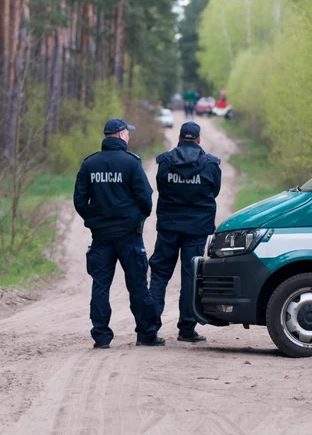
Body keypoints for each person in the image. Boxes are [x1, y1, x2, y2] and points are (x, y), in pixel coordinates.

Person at [73, 118, 165, 349]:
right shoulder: (131, 163)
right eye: (128, 133)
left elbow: (80, 201)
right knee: (137, 285)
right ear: (122, 135)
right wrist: (136, 218)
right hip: (129, 235)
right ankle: (146, 335)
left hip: (101, 236)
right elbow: (145, 199)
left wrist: (93, 220)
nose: (129, 136)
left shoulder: (90, 164)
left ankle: (101, 337)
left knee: (100, 286)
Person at [149, 121, 221, 343]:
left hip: (169, 228)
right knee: (191, 277)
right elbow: (215, 191)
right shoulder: (210, 165)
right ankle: (187, 330)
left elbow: (161, 187)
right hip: (197, 230)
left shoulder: (165, 162)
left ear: (179, 137)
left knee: (160, 276)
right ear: (199, 139)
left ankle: (149, 329)